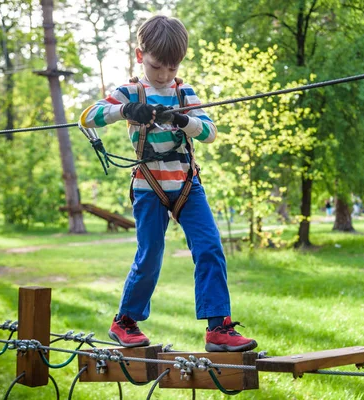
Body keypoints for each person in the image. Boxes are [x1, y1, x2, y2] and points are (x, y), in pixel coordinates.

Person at [79, 16, 256, 352]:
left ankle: (218, 327)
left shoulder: (183, 92)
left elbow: (209, 133)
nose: (163, 75)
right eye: (157, 66)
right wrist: (125, 111)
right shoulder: (130, 91)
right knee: (151, 254)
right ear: (139, 55)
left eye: (171, 68)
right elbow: (87, 118)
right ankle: (125, 321)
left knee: (210, 248)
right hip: (150, 186)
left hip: (188, 185)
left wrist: (183, 119)